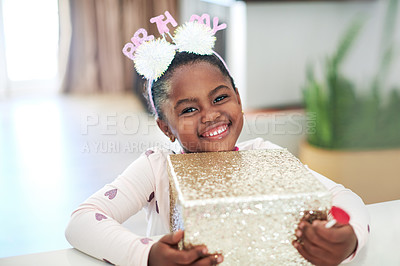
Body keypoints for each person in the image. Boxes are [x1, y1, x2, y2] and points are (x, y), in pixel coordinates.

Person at [65, 12, 369, 266]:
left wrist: (350, 235)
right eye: (189, 109)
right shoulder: (155, 168)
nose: (210, 115)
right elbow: (81, 221)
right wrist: (146, 254)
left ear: (238, 98)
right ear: (165, 127)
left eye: (220, 97)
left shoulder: (264, 155)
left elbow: (343, 197)